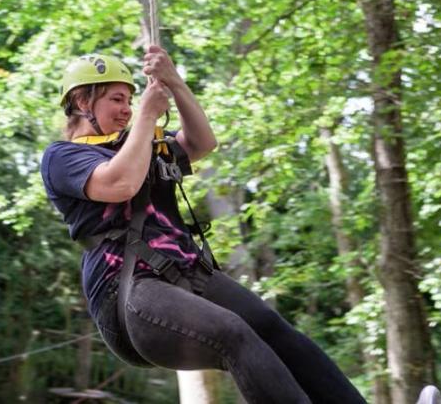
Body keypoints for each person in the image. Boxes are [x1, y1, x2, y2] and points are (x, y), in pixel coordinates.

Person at [40, 46, 404, 403]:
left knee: (272, 328)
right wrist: (148, 118)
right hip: (129, 288)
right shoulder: (64, 156)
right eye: (116, 100)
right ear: (83, 102)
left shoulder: (143, 143)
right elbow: (120, 184)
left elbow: (201, 142)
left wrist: (174, 82)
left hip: (185, 271)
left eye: (129, 101)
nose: (126, 110)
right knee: (232, 333)